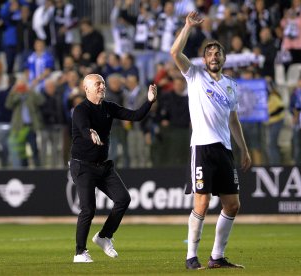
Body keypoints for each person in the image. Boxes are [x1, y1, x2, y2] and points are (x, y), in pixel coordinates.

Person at [170, 11, 252, 270]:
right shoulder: (194, 75)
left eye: (217, 54)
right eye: (209, 54)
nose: (213, 57)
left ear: (224, 59)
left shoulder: (231, 85)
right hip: (203, 147)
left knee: (233, 204)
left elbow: (233, 120)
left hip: (225, 150)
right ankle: (190, 256)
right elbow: (174, 53)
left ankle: (217, 257)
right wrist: (187, 27)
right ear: (204, 59)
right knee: (202, 202)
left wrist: (244, 150)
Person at [70, 74, 157, 263]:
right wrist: (89, 133)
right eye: (97, 84)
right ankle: (79, 253)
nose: (102, 86)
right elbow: (83, 127)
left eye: (102, 83)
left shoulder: (109, 107)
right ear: (86, 89)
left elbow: (135, 115)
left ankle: (104, 236)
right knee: (88, 209)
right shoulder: (80, 109)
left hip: (103, 166)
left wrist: (149, 101)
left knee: (123, 199)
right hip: (82, 166)